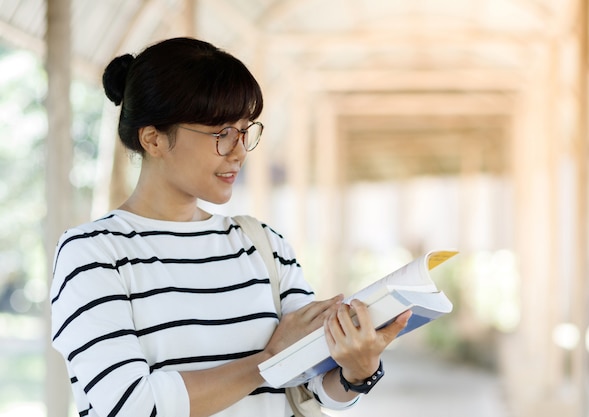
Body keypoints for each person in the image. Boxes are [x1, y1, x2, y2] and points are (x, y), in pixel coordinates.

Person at [49, 37, 411, 417]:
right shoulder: (92, 254)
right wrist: (267, 360)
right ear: (153, 139)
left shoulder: (263, 244)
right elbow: (130, 406)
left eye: (244, 130)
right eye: (221, 133)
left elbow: (313, 383)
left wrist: (357, 370)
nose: (239, 151)